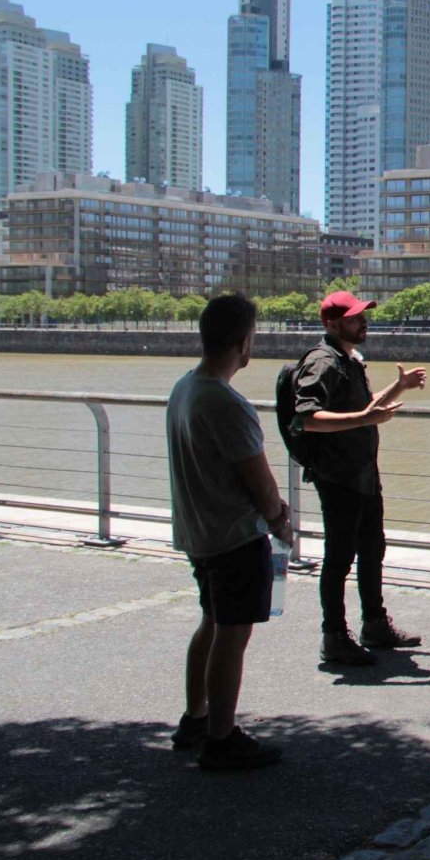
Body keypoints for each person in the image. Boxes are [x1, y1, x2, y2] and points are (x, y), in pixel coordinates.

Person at [166, 293, 291, 770]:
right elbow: (258, 479)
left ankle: (195, 718)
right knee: (232, 636)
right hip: (234, 536)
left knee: (211, 624)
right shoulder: (225, 401)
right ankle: (221, 737)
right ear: (244, 343)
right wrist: (280, 519)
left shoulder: (185, 388)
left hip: (199, 533)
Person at [293, 290, 427, 666]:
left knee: (372, 549)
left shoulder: (347, 359)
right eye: (354, 318)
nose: (363, 322)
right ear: (331, 323)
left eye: (363, 316)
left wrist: (399, 387)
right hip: (338, 475)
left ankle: (374, 625)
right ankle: (334, 636)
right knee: (339, 557)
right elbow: (305, 418)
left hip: (363, 473)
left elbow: (365, 409)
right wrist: (366, 420)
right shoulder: (322, 363)